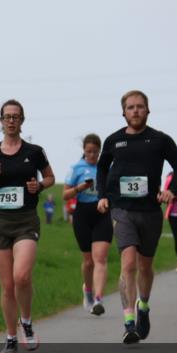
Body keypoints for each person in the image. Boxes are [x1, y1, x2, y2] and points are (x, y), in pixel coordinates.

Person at [96, 90, 177, 343]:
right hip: (121, 209)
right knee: (128, 264)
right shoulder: (113, 140)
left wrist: (170, 190)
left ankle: (143, 306)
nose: (135, 111)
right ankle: (129, 322)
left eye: (140, 107)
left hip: (149, 210)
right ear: (123, 112)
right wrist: (102, 195)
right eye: (130, 107)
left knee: (145, 265)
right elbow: (102, 167)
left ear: (148, 110)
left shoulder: (160, 140)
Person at [0, 100, 55, 353]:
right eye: (7, 116)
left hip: (26, 220)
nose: (11, 120)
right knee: (6, 286)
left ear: (22, 120)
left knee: (21, 277)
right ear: (1, 121)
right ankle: (10, 337)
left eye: (16, 116)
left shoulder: (34, 151)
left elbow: (50, 177)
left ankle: (26, 322)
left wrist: (41, 186)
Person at [63, 133, 112, 315]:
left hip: (102, 213)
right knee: (88, 261)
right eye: (89, 151)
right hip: (82, 214)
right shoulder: (76, 168)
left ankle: (99, 299)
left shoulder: (105, 168)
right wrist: (79, 188)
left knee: (100, 258)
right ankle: (88, 291)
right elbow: (64, 195)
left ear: (100, 151)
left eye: (95, 152)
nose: (92, 155)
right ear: (84, 151)